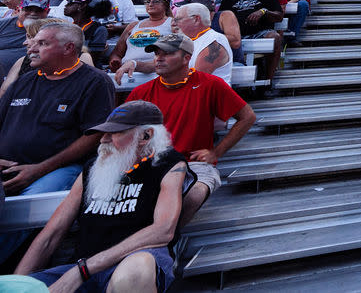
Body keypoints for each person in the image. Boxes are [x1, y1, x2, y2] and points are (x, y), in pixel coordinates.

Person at [14, 101, 187, 292]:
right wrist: (14, 284)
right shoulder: (92, 168)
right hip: (82, 269)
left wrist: (83, 270)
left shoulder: (169, 165)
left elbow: (163, 231)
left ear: (146, 135)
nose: (103, 139)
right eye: (104, 132)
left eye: (115, 133)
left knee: (135, 269)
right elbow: (51, 234)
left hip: (128, 265)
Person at [0, 21, 115, 262]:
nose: (31, 48)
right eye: (34, 42)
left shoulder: (95, 82)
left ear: (68, 48)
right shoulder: (25, 81)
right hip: (7, 165)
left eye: (42, 43)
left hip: (58, 169)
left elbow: (93, 136)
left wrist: (37, 170)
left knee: (20, 210)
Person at [126, 34, 256, 224]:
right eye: (156, 53)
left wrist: (216, 152)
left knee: (193, 195)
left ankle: (168, 240)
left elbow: (248, 117)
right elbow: (122, 131)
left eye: (167, 53)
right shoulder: (141, 92)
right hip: (150, 163)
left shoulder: (210, 84)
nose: (158, 58)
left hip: (192, 164)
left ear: (186, 58)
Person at [221, 0, 284, 84]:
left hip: (260, 34)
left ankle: (268, 81)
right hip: (237, 36)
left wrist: (263, 11)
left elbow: (279, 16)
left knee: (275, 37)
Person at [110, 0, 174, 84]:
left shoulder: (173, 24)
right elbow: (117, 53)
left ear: (166, 5)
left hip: (156, 72)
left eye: (156, 1)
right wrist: (115, 61)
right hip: (127, 72)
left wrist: (136, 65)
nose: (150, 4)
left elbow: (175, 55)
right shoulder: (133, 25)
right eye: (148, 1)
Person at [173, 3, 233, 83]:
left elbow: (195, 79)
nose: (174, 23)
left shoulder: (214, 41)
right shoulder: (191, 40)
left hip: (210, 94)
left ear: (196, 19)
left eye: (178, 19)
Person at [0, 0, 50, 74]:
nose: (33, 13)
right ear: (19, 9)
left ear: (47, 12)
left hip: (30, 72)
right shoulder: (3, 24)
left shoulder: (53, 27)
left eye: (39, 10)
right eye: (28, 9)